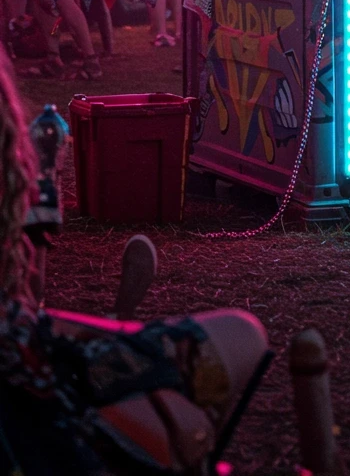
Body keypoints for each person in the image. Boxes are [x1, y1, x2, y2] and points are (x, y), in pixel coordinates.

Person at [0, 47, 269, 473]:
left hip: (37, 364)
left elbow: (23, 319)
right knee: (239, 340)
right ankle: (120, 320)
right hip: (40, 401)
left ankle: (119, 320)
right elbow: (26, 325)